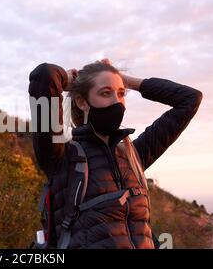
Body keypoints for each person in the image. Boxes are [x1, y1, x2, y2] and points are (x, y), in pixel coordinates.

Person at [28, 59, 203, 249]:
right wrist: (69, 79)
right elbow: (45, 75)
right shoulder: (62, 155)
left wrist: (126, 80)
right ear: (81, 101)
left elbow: (190, 99)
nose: (117, 102)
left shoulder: (132, 155)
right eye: (106, 93)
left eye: (121, 94)